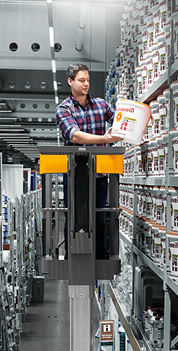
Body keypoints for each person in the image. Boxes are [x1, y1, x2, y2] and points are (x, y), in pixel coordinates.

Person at [55, 63, 122, 259]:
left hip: (99, 172)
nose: (86, 84)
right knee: (74, 217)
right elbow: (74, 135)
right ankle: (72, 258)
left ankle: (100, 258)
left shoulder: (101, 105)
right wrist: (104, 139)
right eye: (81, 80)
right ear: (70, 81)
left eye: (88, 81)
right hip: (75, 174)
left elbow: (118, 118)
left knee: (100, 217)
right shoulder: (64, 109)